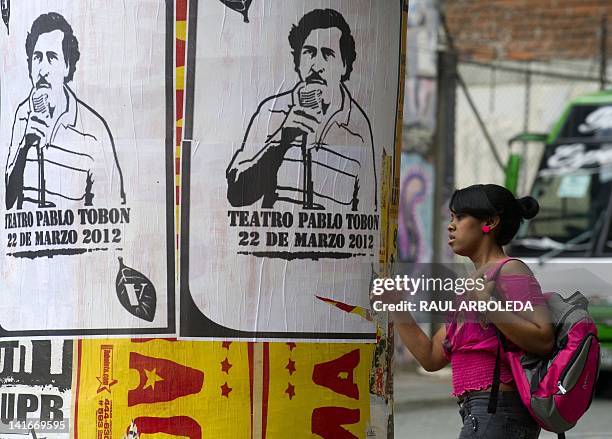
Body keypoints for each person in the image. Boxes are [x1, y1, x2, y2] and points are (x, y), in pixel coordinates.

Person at [393, 184, 554, 438]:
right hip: (479, 412)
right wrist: (396, 305)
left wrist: (490, 307)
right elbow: (432, 357)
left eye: (460, 216)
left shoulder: (510, 271)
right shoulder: (471, 286)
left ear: (490, 221)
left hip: (500, 410)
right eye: (451, 217)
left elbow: (544, 338)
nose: (451, 225)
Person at [226, 8, 377, 212]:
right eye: (309, 52)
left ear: (344, 65)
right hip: (272, 243)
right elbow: (236, 195)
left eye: (328, 54)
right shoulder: (273, 111)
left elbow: (368, 209)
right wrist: (281, 139)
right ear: (297, 61)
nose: (316, 65)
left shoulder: (358, 126)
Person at [5, 12, 125, 210]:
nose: (42, 69)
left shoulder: (94, 130)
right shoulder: (21, 115)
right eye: (37, 58)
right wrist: (24, 147)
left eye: (51, 58)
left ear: (67, 66)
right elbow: (6, 203)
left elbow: (109, 209)